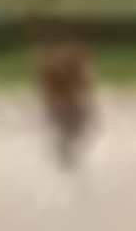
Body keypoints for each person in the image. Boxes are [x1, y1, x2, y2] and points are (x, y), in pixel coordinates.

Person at [35, 29, 98, 173]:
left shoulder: (76, 67)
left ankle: (65, 147)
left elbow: (85, 86)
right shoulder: (52, 67)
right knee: (69, 125)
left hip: (67, 101)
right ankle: (64, 148)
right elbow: (47, 90)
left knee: (74, 125)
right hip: (61, 101)